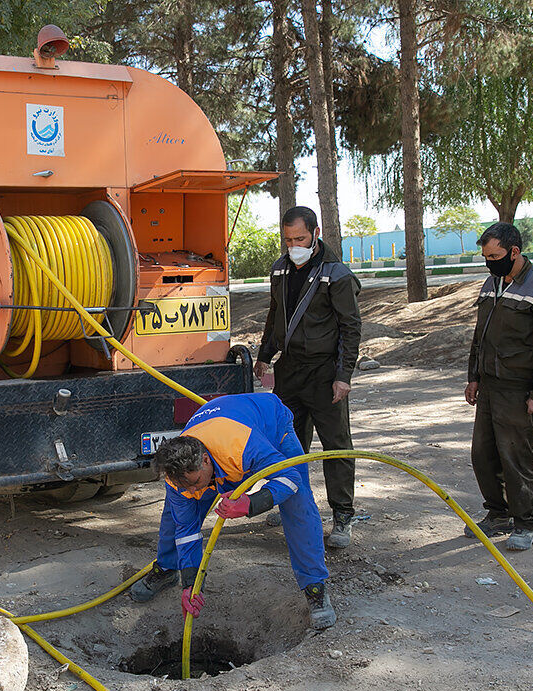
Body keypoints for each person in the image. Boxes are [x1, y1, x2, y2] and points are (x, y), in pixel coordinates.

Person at [128, 393, 335, 630]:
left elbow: (290, 479)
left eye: (195, 482)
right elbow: (187, 530)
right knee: (175, 516)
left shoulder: (241, 445)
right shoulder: (180, 478)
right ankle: (167, 569)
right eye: (187, 486)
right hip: (222, 431)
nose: (194, 490)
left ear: (205, 460)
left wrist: (250, 503)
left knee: (298, 501)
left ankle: (315, 586)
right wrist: (192, 585)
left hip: (272, 426)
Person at [254, 206, 362, 549]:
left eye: (299, 238)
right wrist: (264, 356)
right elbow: (275, 316)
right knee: (287, 443)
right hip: (291, 371)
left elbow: (351, 328)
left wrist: (343, 376)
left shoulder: (336, 275)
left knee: (336, 447)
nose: (293, 245)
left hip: (325, 372)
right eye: (287, 239)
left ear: (316, 234)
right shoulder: (280, 270)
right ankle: (289, 502)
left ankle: (342, 516)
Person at [465, 222, 533, 551]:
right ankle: (497, 514)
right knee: (482, 455)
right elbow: (481, 336)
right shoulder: (491, 283)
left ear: (514, 252)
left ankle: (524, 522)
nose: (489, 262)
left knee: (514, 457)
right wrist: (474, 377)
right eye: (485, 256)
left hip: (518, 390)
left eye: (494, 255)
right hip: (490, 387)